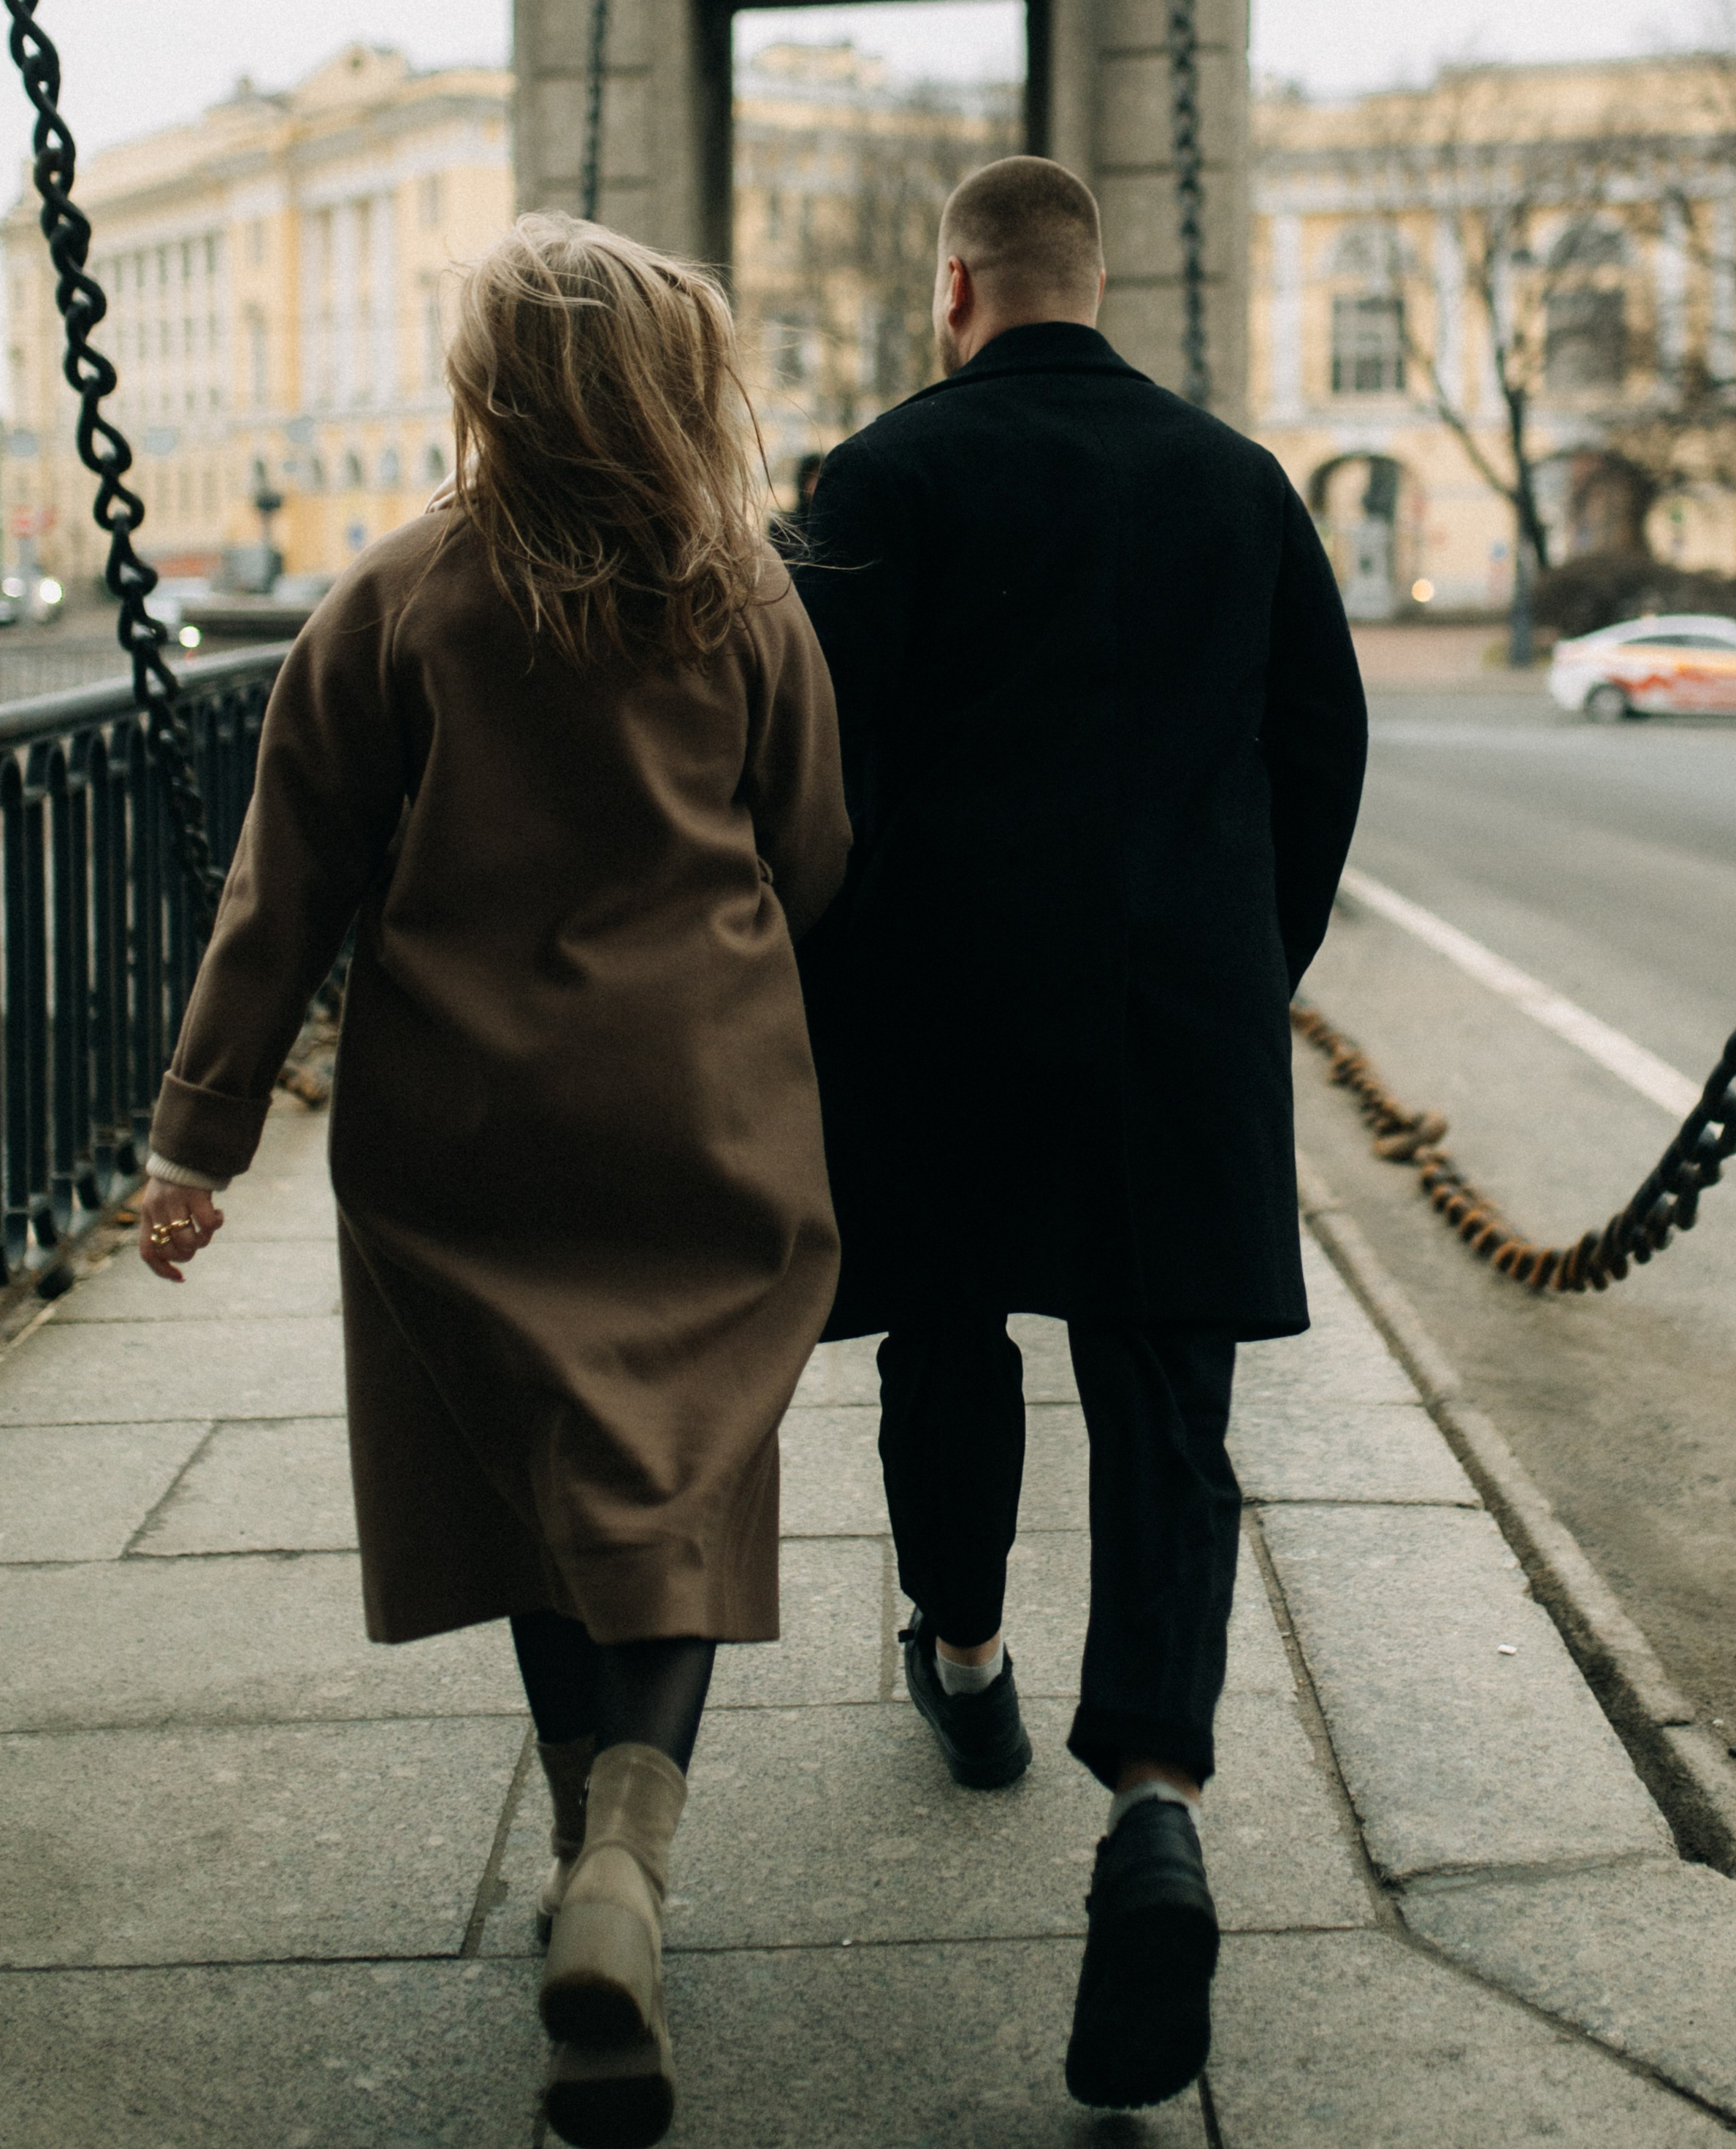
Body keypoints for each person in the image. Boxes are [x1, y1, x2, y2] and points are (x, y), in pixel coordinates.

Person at [137, 216, 849, 2149]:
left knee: (539, 1473)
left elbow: (282, 894)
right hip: (703, 1109)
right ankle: (629, 1849)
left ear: (485, 389)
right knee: (675, 1473)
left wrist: (198, 1137)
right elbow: (816, 843)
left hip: (461, 1128)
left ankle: (582, 1853)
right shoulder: (740, 598)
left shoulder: (393, 597)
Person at [795, 156, 1366, 2112]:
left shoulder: (874, 483)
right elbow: (1321, 749)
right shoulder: (1238, 479)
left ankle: (961, 1657)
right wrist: (1239, 953)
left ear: (954, 286)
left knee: (949, 1342)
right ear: (1092, 282)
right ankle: (1156, 1802)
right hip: (1170, 1013)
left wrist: (838, 983)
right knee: (1162, 1398)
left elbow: (816, 778)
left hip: (943, 1009)